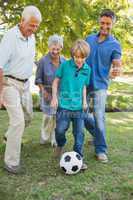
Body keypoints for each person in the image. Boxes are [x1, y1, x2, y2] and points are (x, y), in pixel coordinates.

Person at [0, 5, 42, 173]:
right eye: (31, 25)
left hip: (25, 85)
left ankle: (9, 136)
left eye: (37, 26)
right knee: (18, 122)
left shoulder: (32, 38)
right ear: (21, 21)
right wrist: (0, 93)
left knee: (28, 117)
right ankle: (11, 162)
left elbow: (29, 60)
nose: (34, 29)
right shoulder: (10, 37)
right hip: (9, 83)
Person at [84, 9, 122, 163]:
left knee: (99, 117)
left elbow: (117, 65)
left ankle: (101, 150)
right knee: (81, 113)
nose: (104, 26)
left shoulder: (115, 44)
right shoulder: (89, 38)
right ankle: (97, 135)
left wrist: (115, 71)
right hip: (84, 84)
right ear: (99, 22)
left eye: (108, 23)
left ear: (113, 24)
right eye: (102, 23)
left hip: (100, 85)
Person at [51, 39, 91, 170]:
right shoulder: (65, 65)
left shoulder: (87, 69)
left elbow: (84, 86)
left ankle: (78, 157)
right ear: (73, 54)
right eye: (77, 57)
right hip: (63, 106)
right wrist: (54, 98)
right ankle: (60, 144)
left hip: (79, 108)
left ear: (86, 57)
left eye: (82, 57)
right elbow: (56, 81)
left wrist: (85, 101)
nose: (79, 60)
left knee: (79, 133)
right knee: (60, 129)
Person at [35, 34, 65, 146]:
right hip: (46, 92)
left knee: (56, 117)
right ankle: (44, 136)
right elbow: (38, 79)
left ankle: (54, 138)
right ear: (49, 47)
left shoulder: (64, 61)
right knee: (48, 116)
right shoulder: (43, 61)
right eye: (53, 49)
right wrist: (44, 91)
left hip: (59, 93)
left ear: (61, 48)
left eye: (58, 49)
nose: (55, 51)